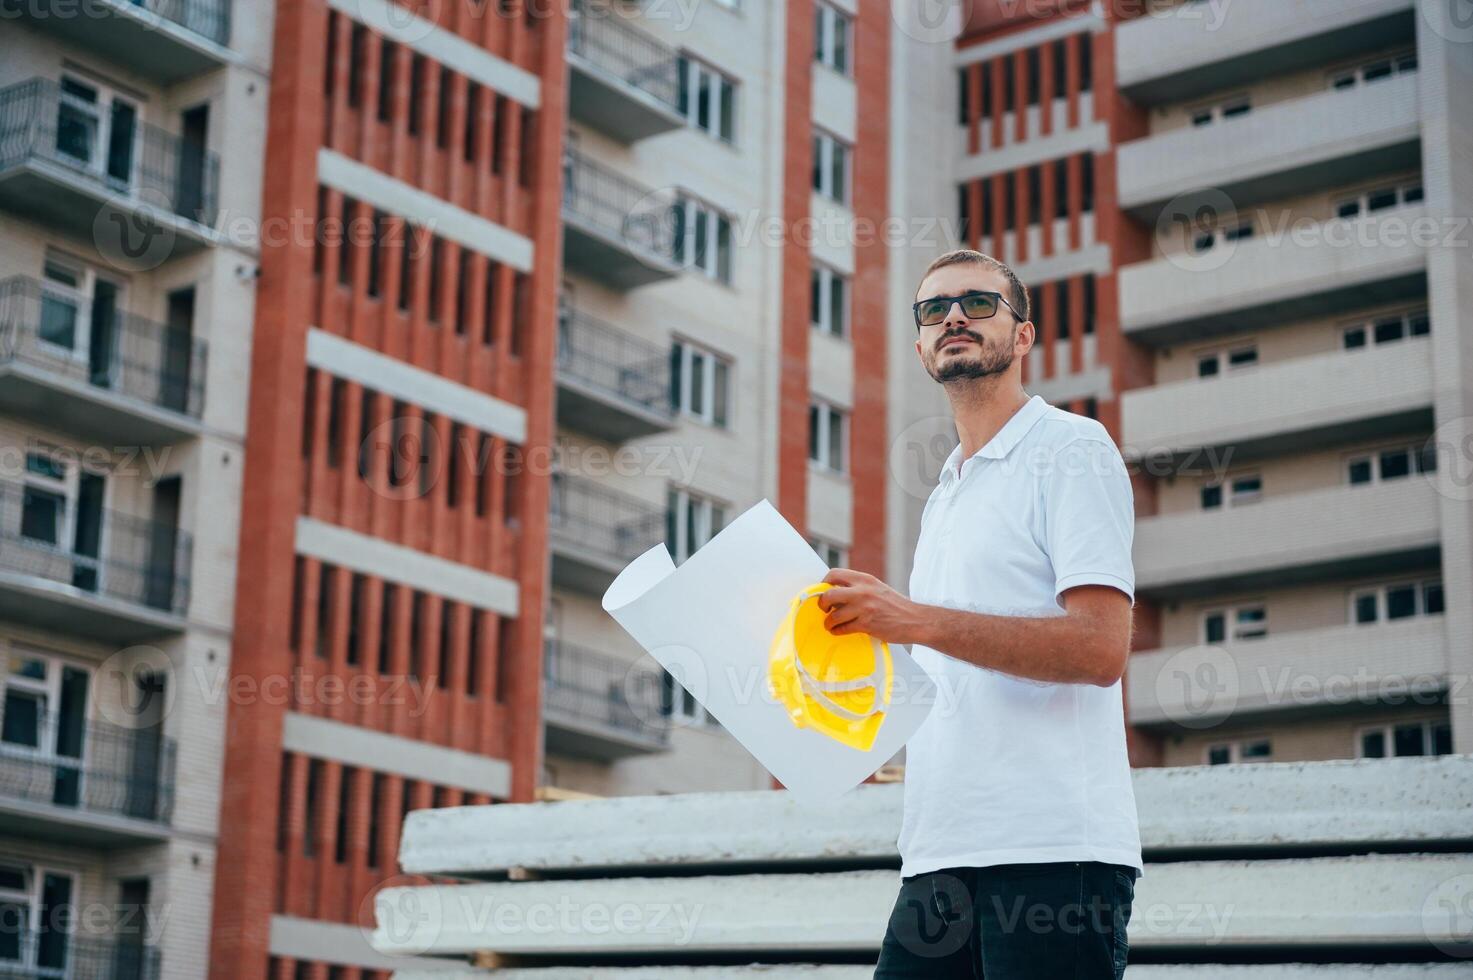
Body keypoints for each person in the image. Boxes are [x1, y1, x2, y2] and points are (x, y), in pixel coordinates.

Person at [817, 249, 1142, 979]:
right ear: (921, 345)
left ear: (1022, 337)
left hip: (1052, 855)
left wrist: (911, 620)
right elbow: (950, 669)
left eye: (977, 303)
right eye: (934, 309)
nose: (953, 317)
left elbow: (1098, 651)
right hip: (936, 856)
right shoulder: (947, 490)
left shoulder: (1070, 449)